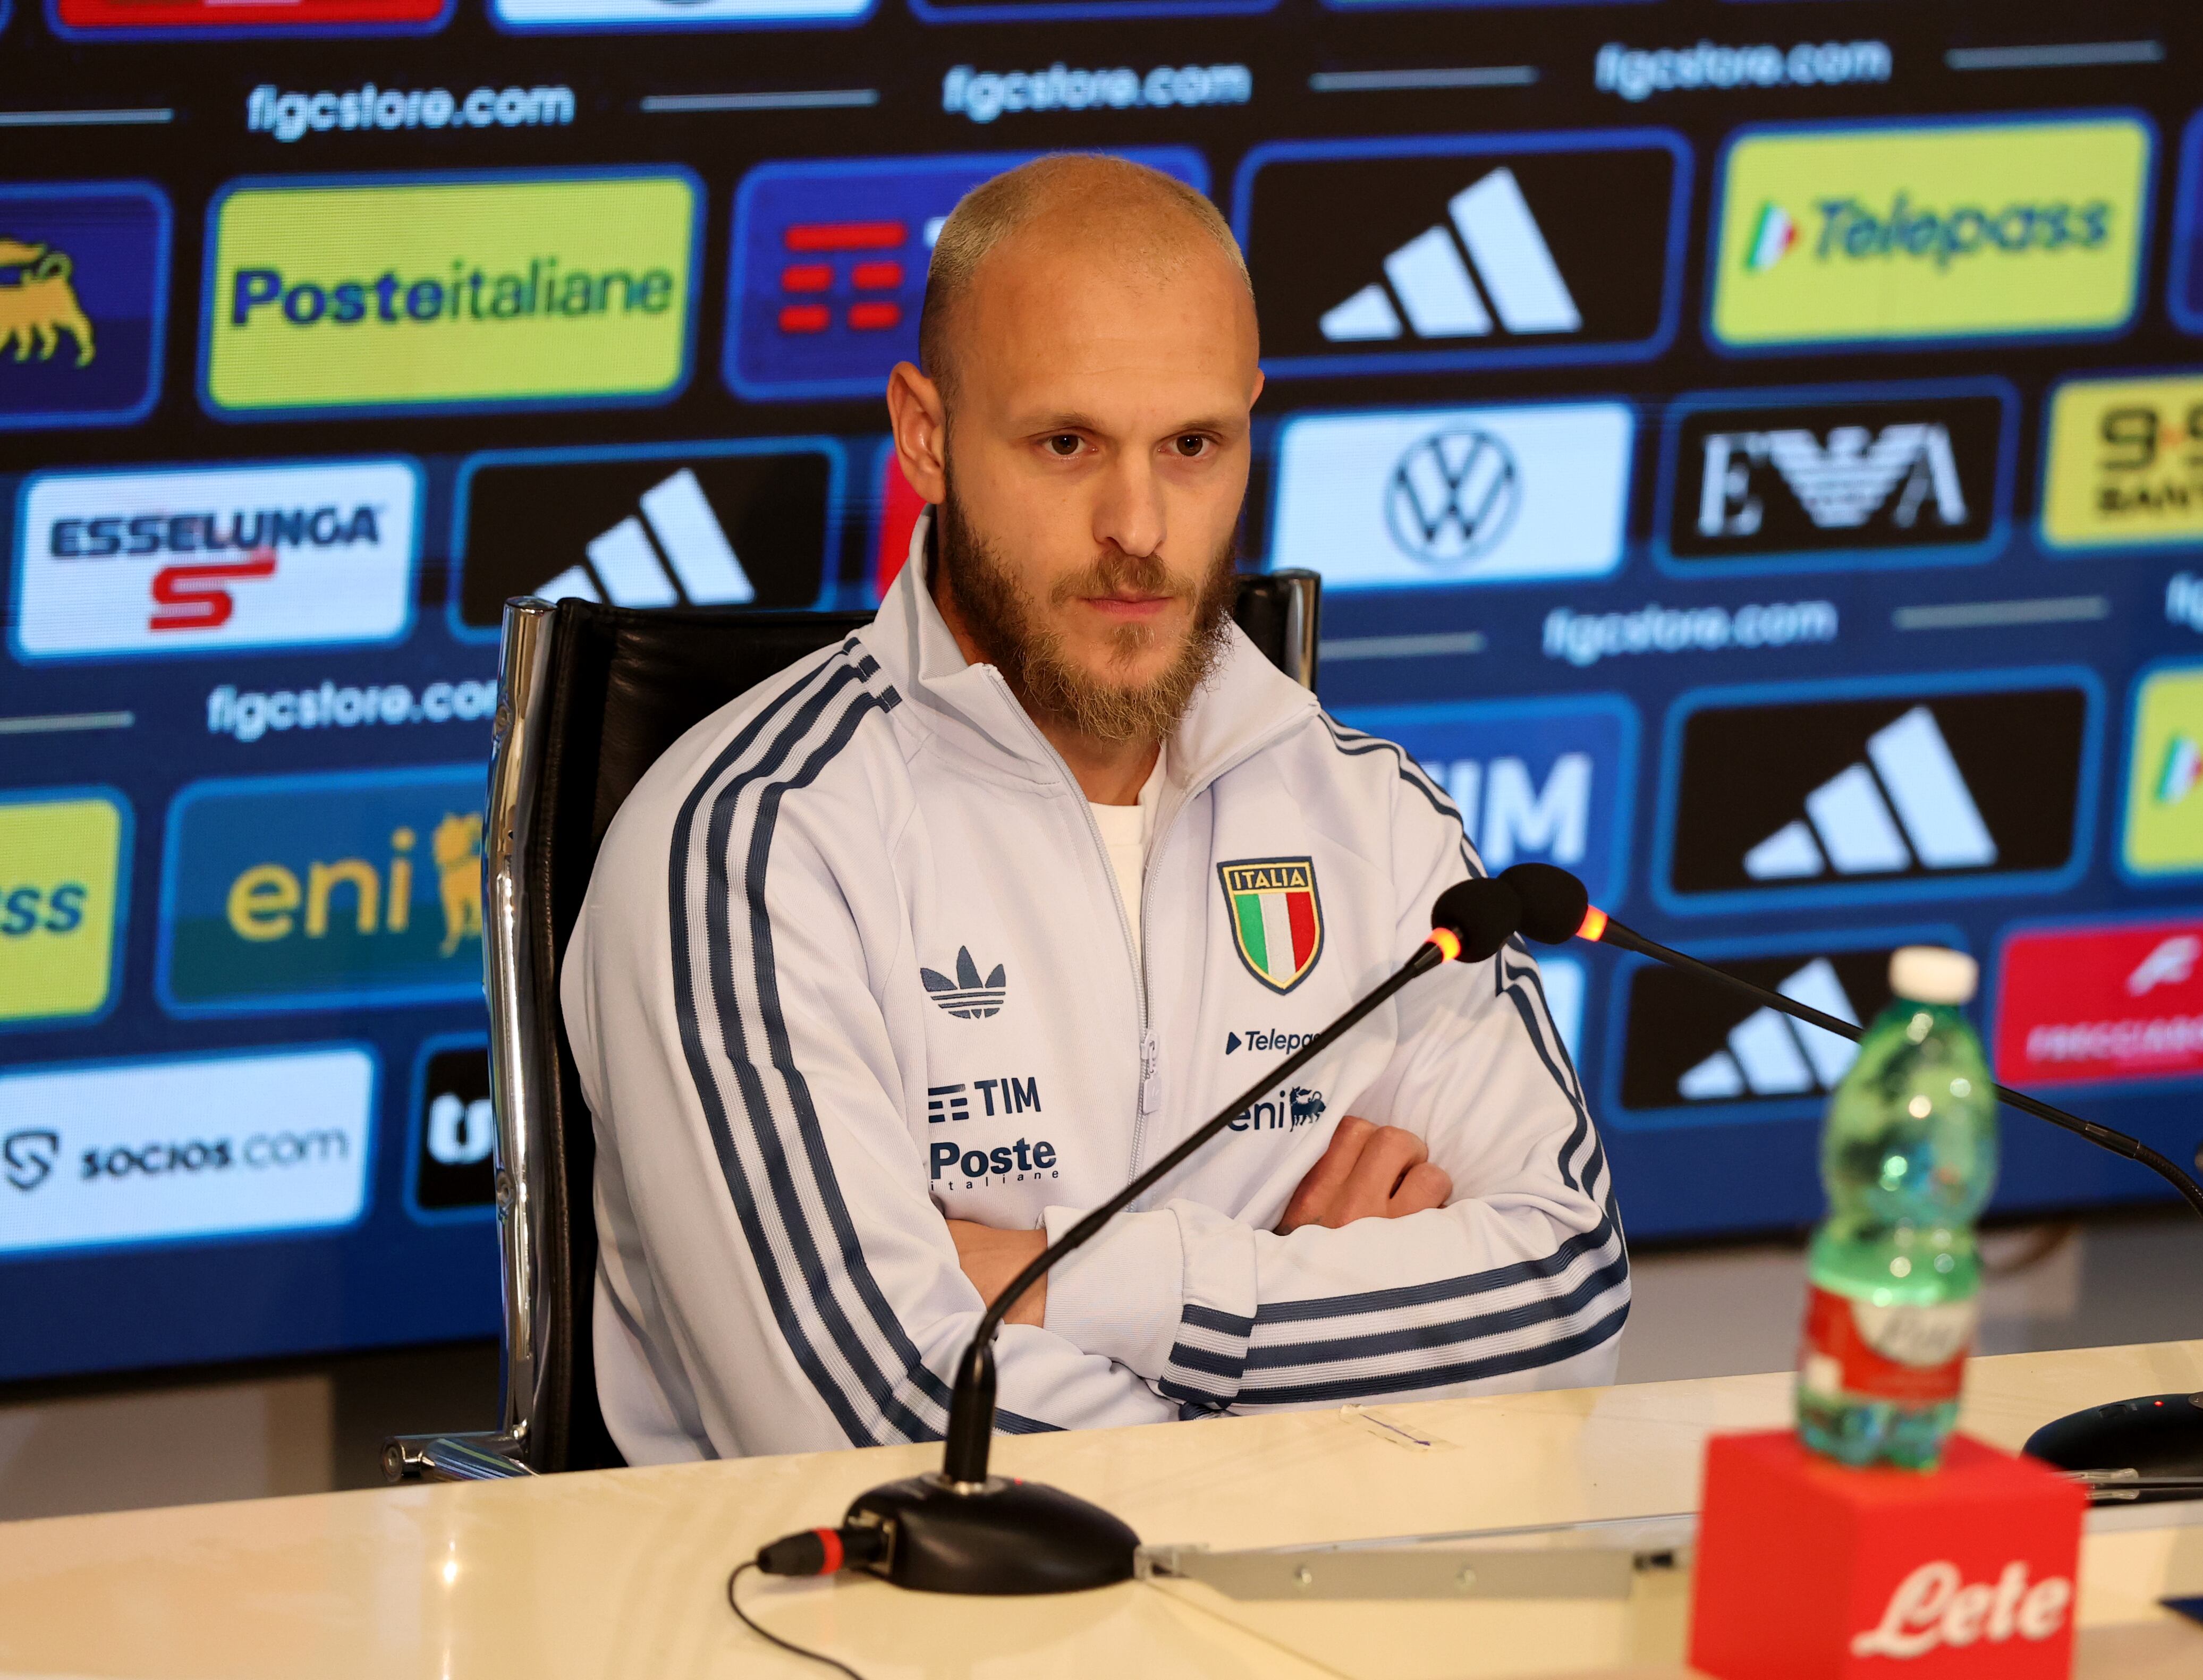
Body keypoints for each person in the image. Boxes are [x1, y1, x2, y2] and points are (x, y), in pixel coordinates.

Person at [563, 154, 1627, 1461]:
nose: (1139, 524)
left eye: (1193, 446)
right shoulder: (749, 846)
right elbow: (875, 1430)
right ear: (927, 434)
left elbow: (1566, 1302)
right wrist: (1311, 1336)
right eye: (1067, 444)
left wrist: (1083, 1287)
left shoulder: (1375, 821)